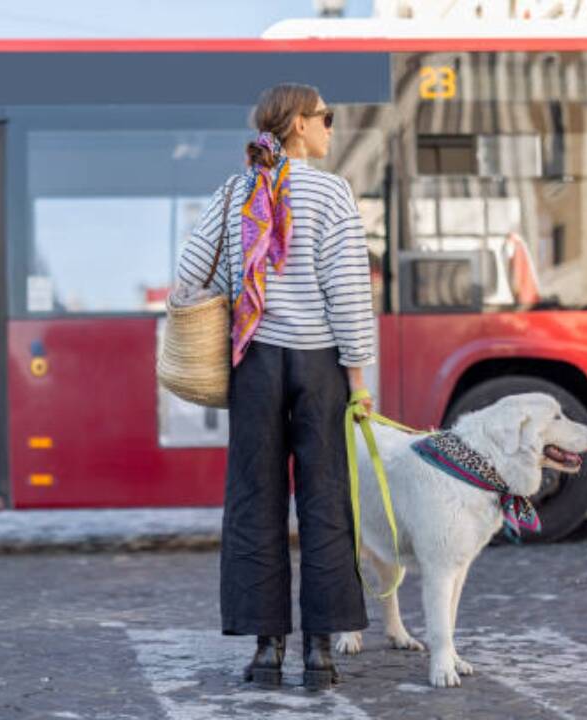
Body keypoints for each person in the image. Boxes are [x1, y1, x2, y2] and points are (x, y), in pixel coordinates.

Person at [175, 84, 376, 691]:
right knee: (326, 504)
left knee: (253, 503)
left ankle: (267, 653)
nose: (332, 129)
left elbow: (187, 273)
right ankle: (320, 654)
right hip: (318, 367)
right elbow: (347, 293)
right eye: (326, 118)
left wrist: (235, 294)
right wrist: (359, 378)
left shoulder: (236, 189)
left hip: (255, 363)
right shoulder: (331, 191)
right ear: (298, 126)